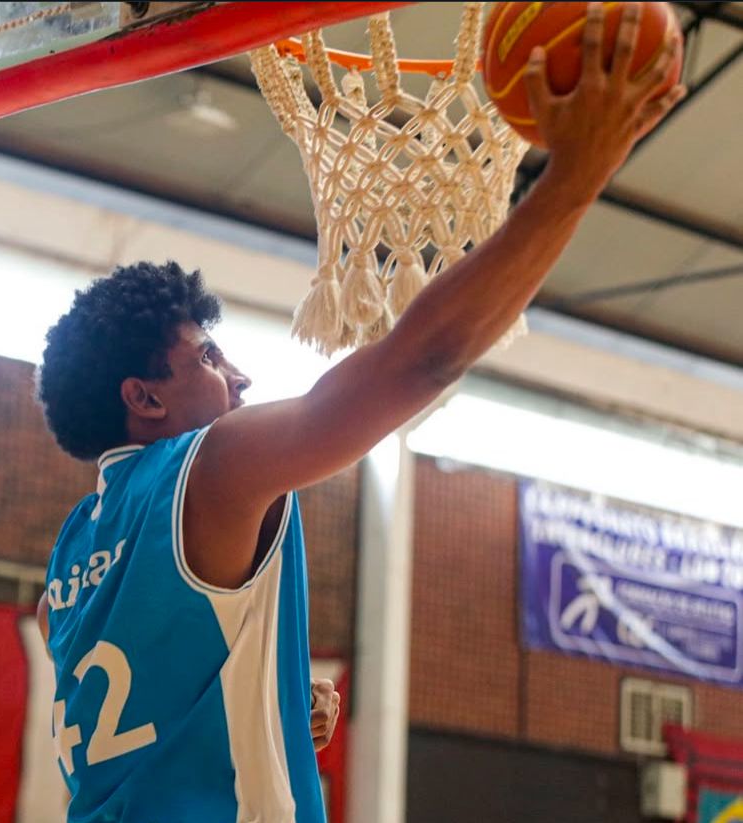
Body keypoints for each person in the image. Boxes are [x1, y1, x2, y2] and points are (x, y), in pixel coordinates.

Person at [36, 5, 684, 822]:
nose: (237, 378)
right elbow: (420, 360)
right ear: (144, 396)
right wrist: (579, 172)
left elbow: (116, 671)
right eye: (207, 355)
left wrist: (256, 691)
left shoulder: (69, 559)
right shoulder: (213, 468)